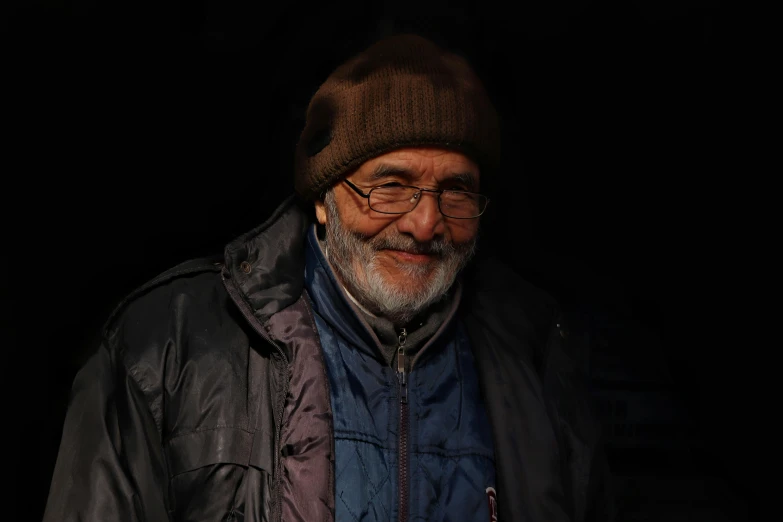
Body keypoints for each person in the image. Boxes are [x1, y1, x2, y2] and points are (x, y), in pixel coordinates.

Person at [43, 34, 614, 522]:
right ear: (323, 197)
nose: (425, 223)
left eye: (457, 191)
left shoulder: (538, 358)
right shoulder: (164, 349)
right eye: (390, 185)